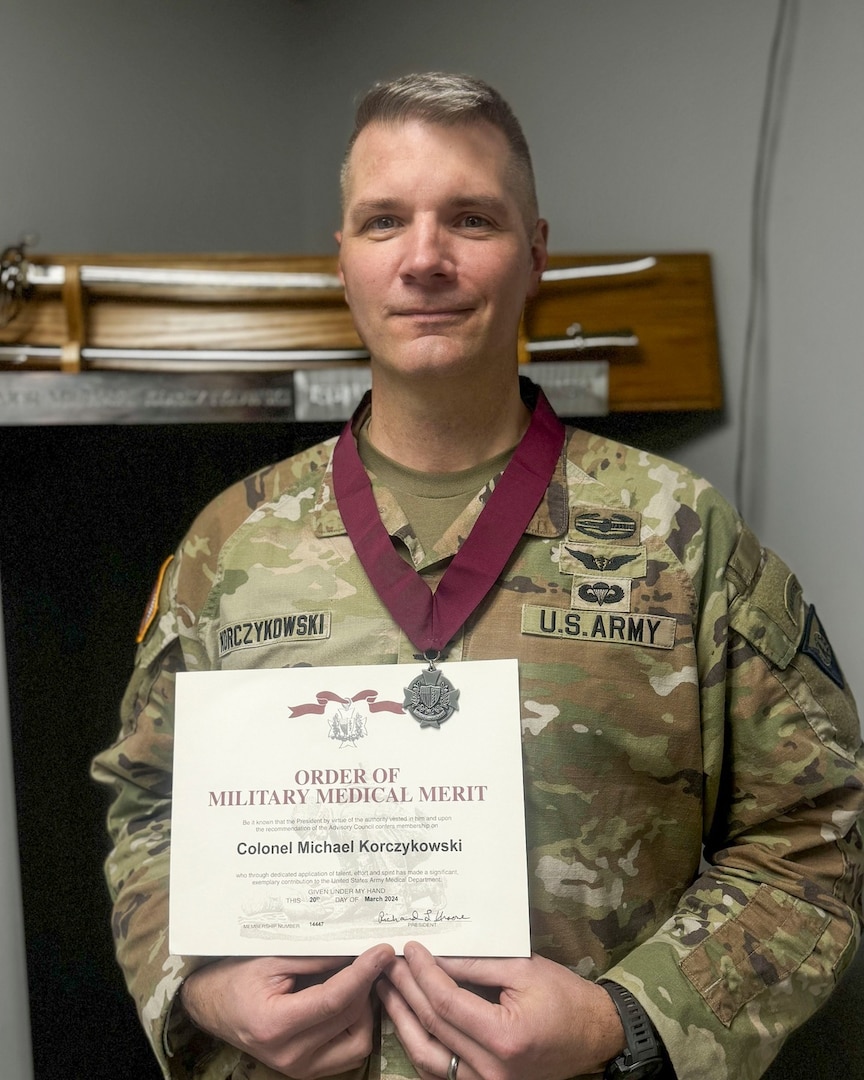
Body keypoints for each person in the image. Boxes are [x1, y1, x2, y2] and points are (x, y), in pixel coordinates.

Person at [92, 71, 864, 1080]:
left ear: (535, 252)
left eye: (470, 218)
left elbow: (817, 832)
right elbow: (148, 806)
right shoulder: (229, 546)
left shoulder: (683, 539)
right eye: (383, 222)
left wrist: (625, 1023)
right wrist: (198, 989)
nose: (424, 259)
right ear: (344, 261)